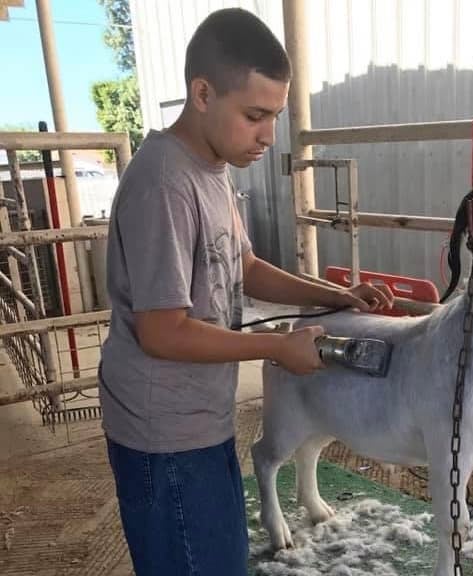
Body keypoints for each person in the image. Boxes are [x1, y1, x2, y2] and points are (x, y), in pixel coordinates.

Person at [98, 8, 393, 576]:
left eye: (276, 116)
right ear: (202, 92)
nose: (268, 135)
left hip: (200, 418)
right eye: (255, 115)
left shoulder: (212, 170)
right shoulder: (164, 183)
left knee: (220, 557)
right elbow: (163, 331)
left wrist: (336, 295)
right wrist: (278, 347)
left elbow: (246, 266)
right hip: (163, 433)